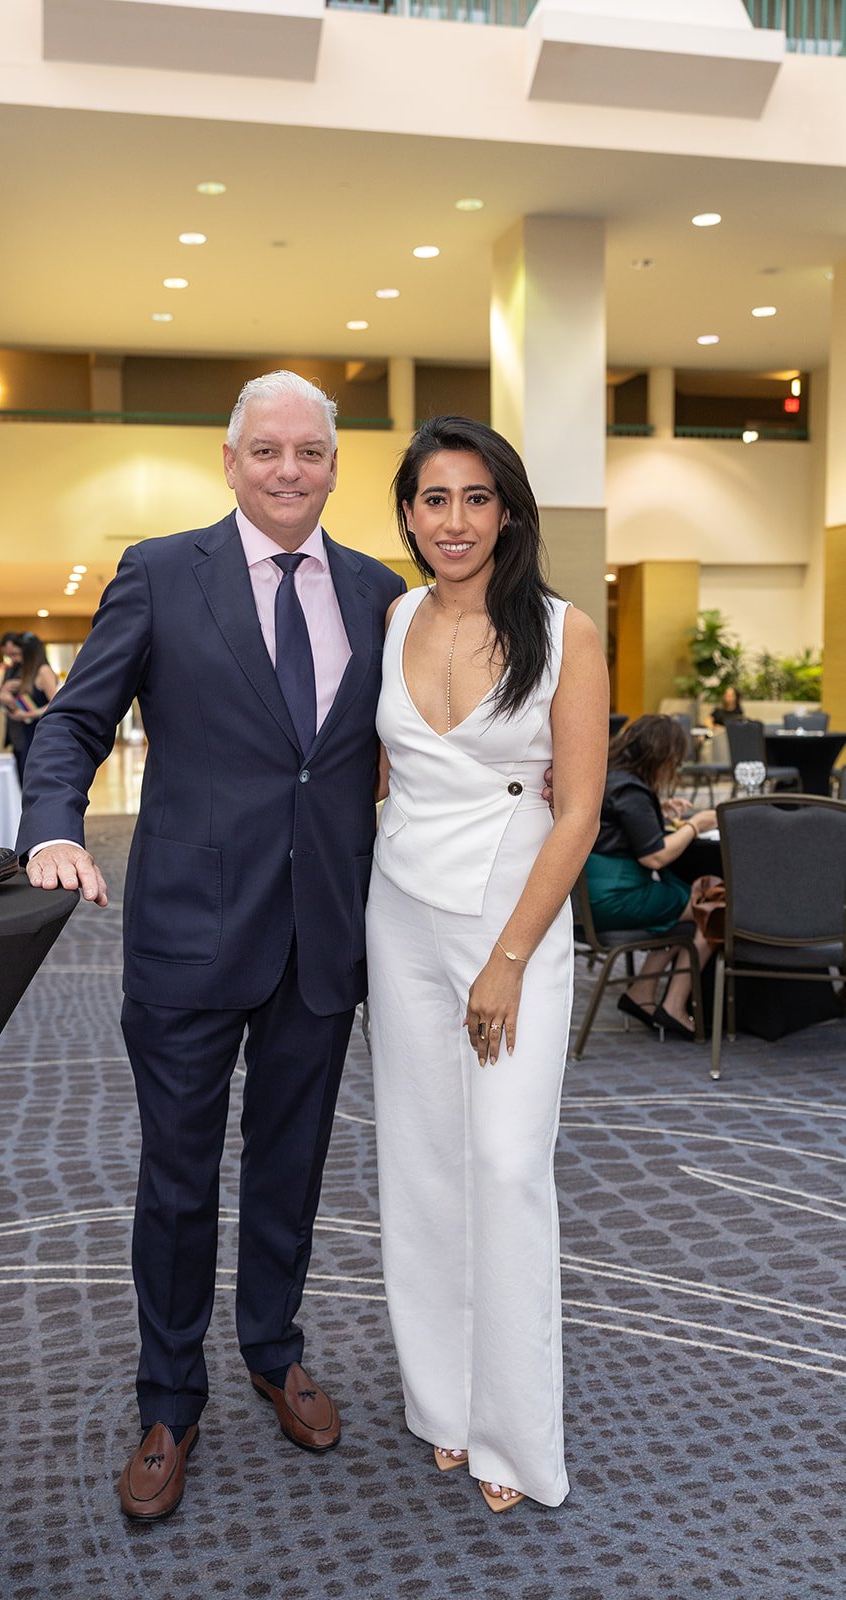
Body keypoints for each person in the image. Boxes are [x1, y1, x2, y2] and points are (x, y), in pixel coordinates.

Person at [15, 371, 408, 1521]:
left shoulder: (380, 594)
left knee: (289, 1171)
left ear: (334, 466)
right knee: (178, 1184)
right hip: (188, 930)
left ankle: (272, 1348)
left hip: (322, 939)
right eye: (267, 451)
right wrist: (51, 828)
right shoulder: (158, 572)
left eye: (312, 452)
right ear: (228, 461)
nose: (290, 470)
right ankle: (168, 1399)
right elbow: (76, 719)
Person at [366, 417, 607, 1515]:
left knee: (504, 1165)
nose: (451, 521)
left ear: (506, 510)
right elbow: (380, 783)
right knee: (420, 1162)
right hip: (400, 914)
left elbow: (582, 810)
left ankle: (513, 1427)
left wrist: (508, 957)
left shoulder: (565, 631)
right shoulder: (393, 617)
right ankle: (444, 1406)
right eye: (431, 498)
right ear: (407, 512)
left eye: (473, 498)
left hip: (512, 917)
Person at [586, 713, 717, 1038]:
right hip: (617, 897)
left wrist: (656, 809)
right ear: (660, 756)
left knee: (686, 914)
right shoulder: (631, 791)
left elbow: (620, 823)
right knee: (712, 904)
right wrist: (694, 825)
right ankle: (674, 1004)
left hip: (588, 898)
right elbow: (655, 856)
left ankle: (641, 994)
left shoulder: (610, 778)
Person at [0, 632, 58, 784]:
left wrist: (28, 714)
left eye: (18, 654)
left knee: (34, 781)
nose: (15, 658)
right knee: (24, 781)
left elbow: (56, 703)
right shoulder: (23, 671)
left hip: (38, 732)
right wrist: (4, 694)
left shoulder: (43, 671)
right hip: (23, 735)